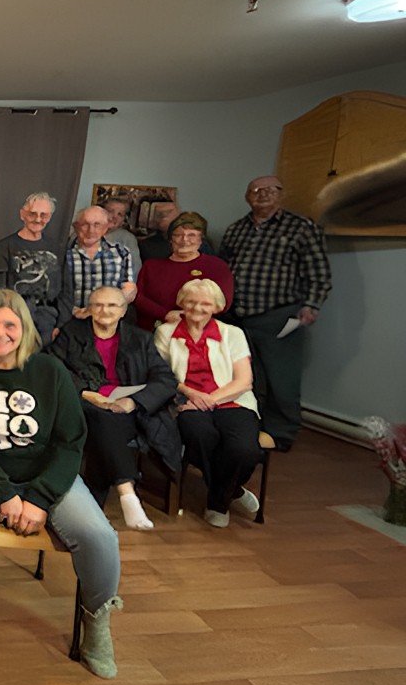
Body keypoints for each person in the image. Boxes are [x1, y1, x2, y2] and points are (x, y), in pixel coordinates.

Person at [0, 289, 123, 677]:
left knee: (99, 535)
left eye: (8, 324)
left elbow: (71, 441)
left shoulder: (51, 373)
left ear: (23, 328)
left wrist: (38, 497)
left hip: (45, 471)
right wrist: (5, 493)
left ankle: (97, 624)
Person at [48, 286, 179, 531]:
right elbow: (53, 368)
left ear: (123, 310)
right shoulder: (71, 333)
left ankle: (94, 509)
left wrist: (133, 402)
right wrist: (88, 393)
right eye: (97, 305)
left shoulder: (140, 338)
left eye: (112, 306)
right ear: (89, 309)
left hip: (128, 409)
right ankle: (126, 490)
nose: (104, 310)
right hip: (83, 405)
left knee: (109, 423)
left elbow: (165, 379)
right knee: (102, 418)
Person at [219, 175, 332, 451]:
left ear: (282, 194)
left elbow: (319, 273)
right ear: (247, 196)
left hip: (279, 316)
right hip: (238, 317)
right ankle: (253, 428)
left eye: (271, 190)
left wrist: (312, 306)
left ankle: (281, 435)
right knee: (247, 377)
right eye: (255, 190)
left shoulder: (301, 228)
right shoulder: (236, 229)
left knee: (282, 379)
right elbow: (223, 269)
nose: (262, 195)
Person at [155, 279, 263, 528]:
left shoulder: (232, 334)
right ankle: (223, 500)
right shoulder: (166, 333)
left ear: (216, 307)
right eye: (191, 301)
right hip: (186, 402)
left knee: (244, 450)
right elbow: (162, 375)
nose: (197, 308)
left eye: (205, 303)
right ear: (182, 303)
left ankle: (225, 491)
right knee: (200, 436)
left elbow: (244, 381)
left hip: (232, 401)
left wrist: (210, 400)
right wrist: (192, 394)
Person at [134, 212, 235, 331]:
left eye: (191, 235)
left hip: (200, 332)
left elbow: (223, 303)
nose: (184, 240)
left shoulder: (217, 266)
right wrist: (165, 314)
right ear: (170, 239)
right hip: (153, 331)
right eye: (178, 235)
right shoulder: (151, 266)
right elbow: (138, 298)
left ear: (201, 239)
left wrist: (189, 317)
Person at [0, 192, 63, 346]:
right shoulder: (5, 246)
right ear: (23, 214)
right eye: (33, 214)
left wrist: (60, 324)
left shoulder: (56, 247)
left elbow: (64, 288)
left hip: (48, 320)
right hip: (14, 316)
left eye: (44, 215)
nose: (38, 219)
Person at [59, 205, 136, 326]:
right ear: (76, 227)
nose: (91, 230)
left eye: (97, 225)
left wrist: (100, 310)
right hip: (73, 321)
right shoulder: (63, 255)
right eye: (85, 224)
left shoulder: (121, 252)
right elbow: (59, 294)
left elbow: (129, 289)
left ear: (106, 228)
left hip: (110, 323)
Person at [102, 197, 142, 270]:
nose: (114, 217)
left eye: (120, 214)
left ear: (123, 220)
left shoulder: (127, 238)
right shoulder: (84, 231)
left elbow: (134, 268)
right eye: (110, 211)